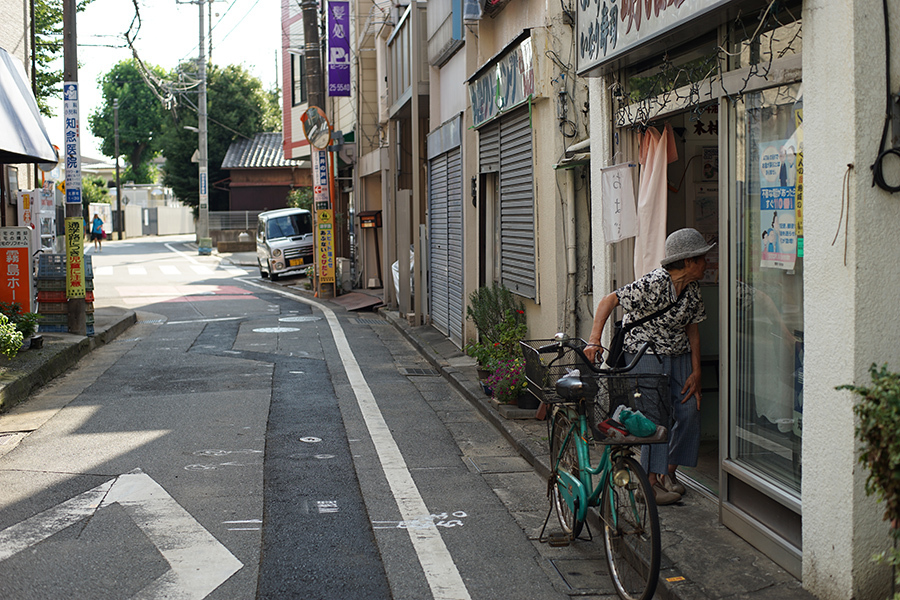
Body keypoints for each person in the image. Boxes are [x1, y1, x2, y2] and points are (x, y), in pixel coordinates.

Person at [584, 228, 714, 505]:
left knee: (689, 410)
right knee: (656, 416)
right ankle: (649, 483)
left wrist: (696, 371)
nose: (707, 262)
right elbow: (609, 300)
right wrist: (594, 341)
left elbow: (692, 329)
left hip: (678, 354)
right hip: (644, 353)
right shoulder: (654, 283)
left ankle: (668, 471)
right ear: (688, 261)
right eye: (702, 258)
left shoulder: (692, 289)